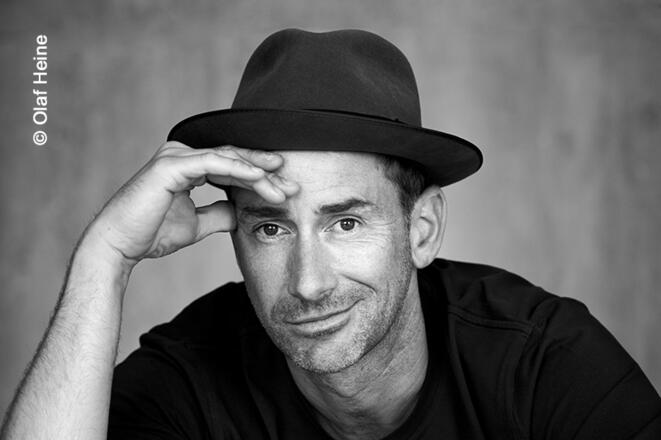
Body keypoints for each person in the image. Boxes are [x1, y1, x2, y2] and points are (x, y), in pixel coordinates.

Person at [2, 28, 660, 440]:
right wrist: (106, 258)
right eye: (270, 228)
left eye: (345, 222)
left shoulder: (544, 365)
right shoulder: (193, 377)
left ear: (421, 229)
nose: (308, 283)